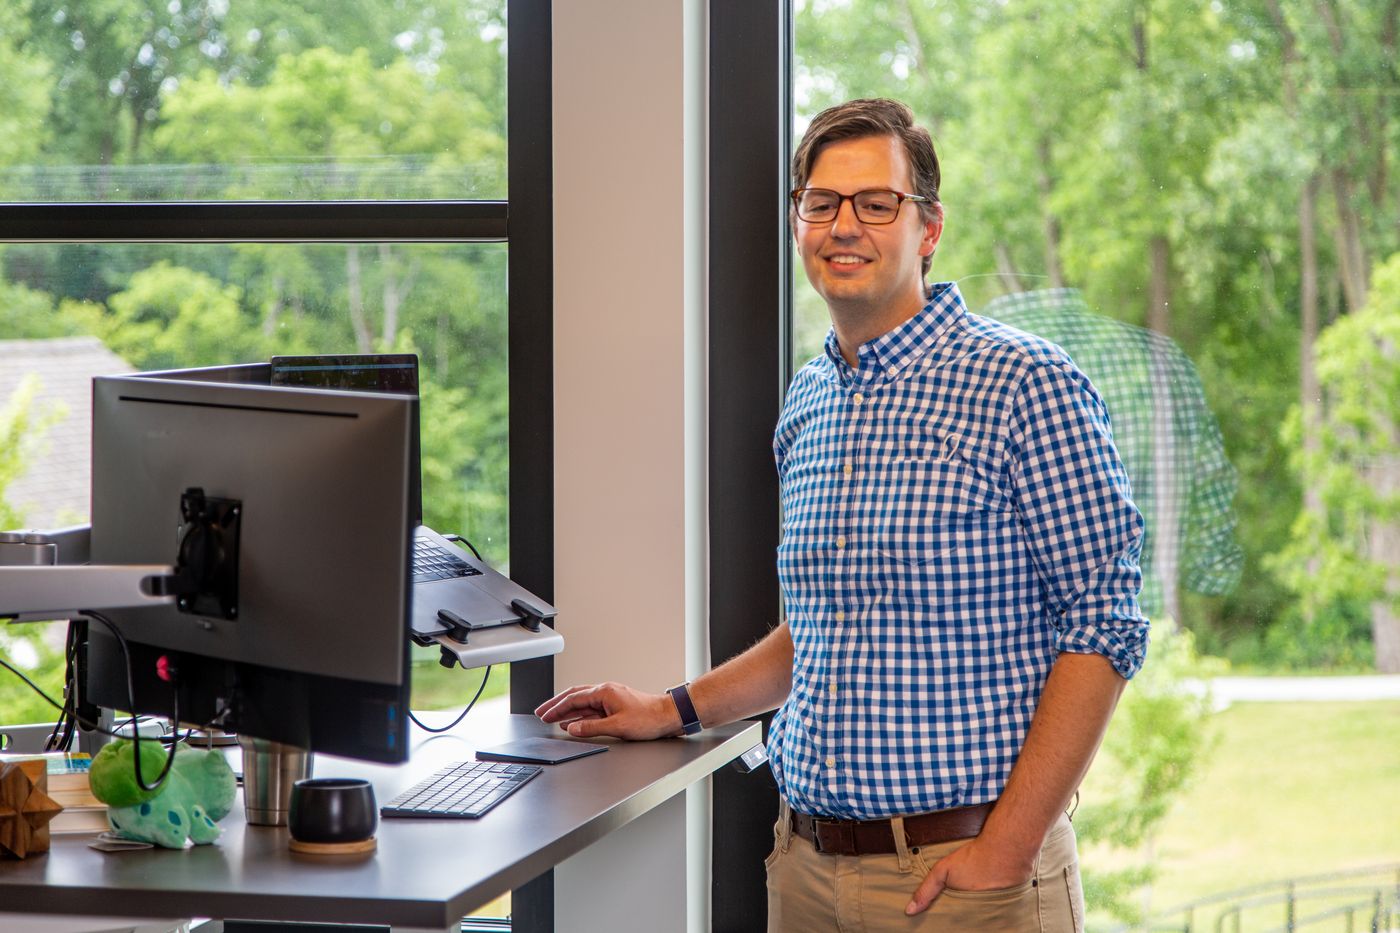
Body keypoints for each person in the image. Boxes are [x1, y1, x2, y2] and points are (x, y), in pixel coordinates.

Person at [536, 98, 1149, 932]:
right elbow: (822, 626)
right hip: (806, 872)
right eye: (820, 203)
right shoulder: (810, 401)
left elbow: (1103, 624)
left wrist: (1006, 848)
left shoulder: (1025, 385)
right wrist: (671, 708)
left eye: (876, 202)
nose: (844, 225)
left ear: (927, 229)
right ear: (798, 224)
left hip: (966, 883)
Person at [982, 287, 1243, 624]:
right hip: (1159, 581)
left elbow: (1101, 608)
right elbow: (1213, 481)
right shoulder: (1157, 355)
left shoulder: (1031, 374)